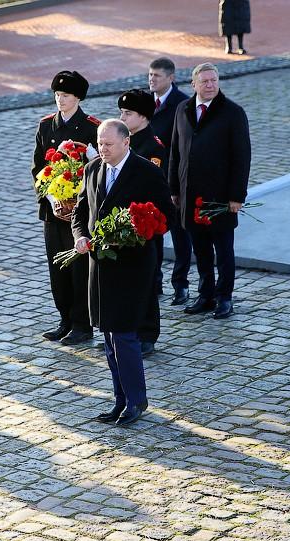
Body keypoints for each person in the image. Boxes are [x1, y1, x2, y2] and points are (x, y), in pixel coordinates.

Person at [72, 119, 169, 426]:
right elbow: (80, 212)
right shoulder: (92, 170)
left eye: (109, 144)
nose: (103, 149)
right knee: (108, 337)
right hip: (99, 268)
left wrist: (134, 232)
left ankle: (136, 400)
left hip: (132, 268)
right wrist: (79, 237)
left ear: (126, 142)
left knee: (124, 335)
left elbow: (165, 216)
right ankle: (120, 399)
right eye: (100, 143)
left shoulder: (147, 173)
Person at [168, 63, 251, 320]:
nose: (210, 84)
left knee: (223, 250)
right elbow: (174, 151)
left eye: (214, 80)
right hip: (190, 195)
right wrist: (173, 188)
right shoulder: (182, 110)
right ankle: (206, 295)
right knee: (200, 248)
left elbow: (242, 157)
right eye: (204, 81)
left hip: (220, 197)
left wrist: (237, 196)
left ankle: (224, 297)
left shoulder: (233, 113)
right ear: (194, 84)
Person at [31, 70, 101, 346]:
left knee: (79, 269)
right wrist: (51, 198)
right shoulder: (46, 126)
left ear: (78, 98)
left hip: (80, 211)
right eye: (57, 95)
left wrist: (78, 200)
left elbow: (97, 169)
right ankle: (65, 320)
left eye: (66, 96)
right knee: (57, 268)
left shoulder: (91, 127)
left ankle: (83, 325)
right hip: (53, 210)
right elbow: (38, 168)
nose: (61, 100)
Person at [117, 89, 168, 357]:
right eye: (121, 112)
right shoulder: (121, 141)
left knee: (147, 282)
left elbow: (154, 189)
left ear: (144, 117)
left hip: (144, 226)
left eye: (128, 113)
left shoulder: (153, 147)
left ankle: (147, 333)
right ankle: (126, 329)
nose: (122, 117)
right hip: (121, 224)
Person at [148, 58, 192, 306]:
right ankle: (154, 281)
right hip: (151, 182)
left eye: (157, 76)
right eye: (150, 75)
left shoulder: (181, 104)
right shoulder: (145, 104)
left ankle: (181, 285)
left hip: (173, 181)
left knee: (180, 236)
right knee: (152, 234)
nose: (152, 79)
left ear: (171, 78)